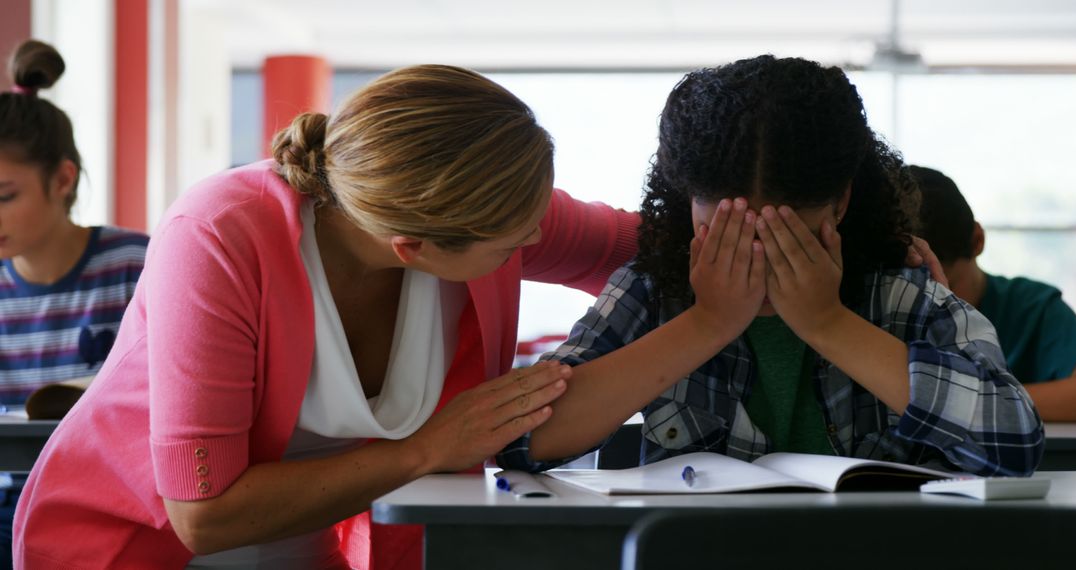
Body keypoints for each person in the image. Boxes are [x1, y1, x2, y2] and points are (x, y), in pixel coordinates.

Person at [13, 64, 639, 569]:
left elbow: (639, 245)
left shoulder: (478, 211)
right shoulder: (216, 237)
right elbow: (204, 517)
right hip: (130, 549)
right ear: (413, 249)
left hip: (309, 550)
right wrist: (426, 449)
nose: (534, 236)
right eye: (512, 244)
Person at [498, 56, 1043, 478]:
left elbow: (1013, 443)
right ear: (689, 203)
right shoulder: (652, 291)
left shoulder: (903, 295)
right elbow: (522, 438)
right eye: (728, 238)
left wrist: (827, 322)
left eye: (787, 241)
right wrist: (707, 322)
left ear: (841, 204)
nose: (756, 265)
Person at [0, 39, 148, 566]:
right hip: (10, 494)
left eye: (4, 196)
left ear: (62, 180)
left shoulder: (140, 264)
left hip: (112, 496)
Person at [911, 165, 1076, 421]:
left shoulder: (1033, 308)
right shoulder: (881, 312)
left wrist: (959, 403)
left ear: (977, 240)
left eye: (948, 289)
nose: (934, 308)